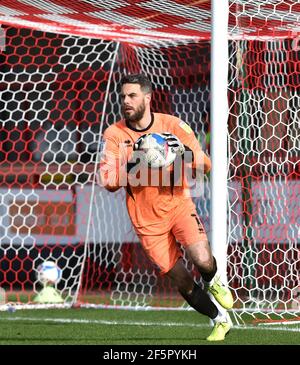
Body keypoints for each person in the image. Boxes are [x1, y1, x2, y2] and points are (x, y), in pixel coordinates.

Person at [99, 73, 233, 341]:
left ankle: (213, 280)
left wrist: (182, 152)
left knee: (203, 259)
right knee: (182, 281)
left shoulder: (173, 125)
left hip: (178, 205)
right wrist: (135, 162)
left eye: (132, 95)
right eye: (123, 96)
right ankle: (219, 320)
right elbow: (108, 180)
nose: (126, 100)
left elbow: (205, 165)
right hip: (147, 222)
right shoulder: (114, 134)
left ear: (147, 98)